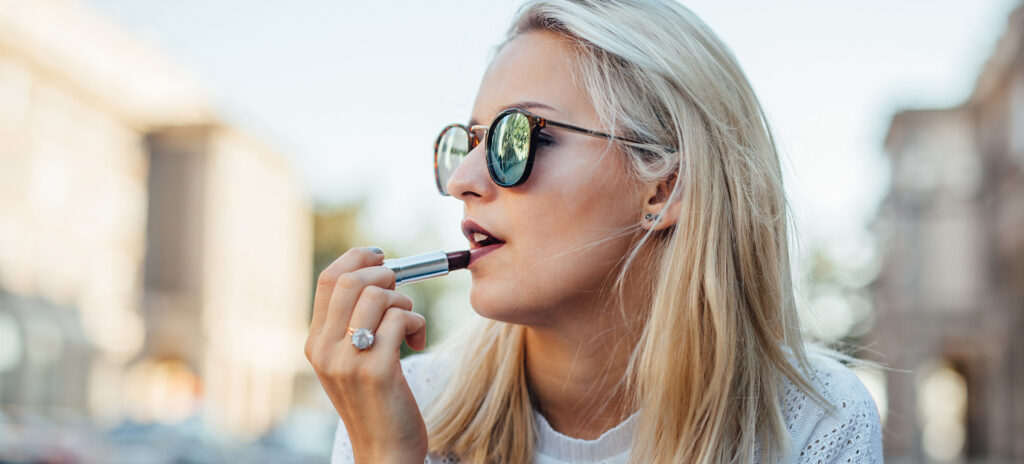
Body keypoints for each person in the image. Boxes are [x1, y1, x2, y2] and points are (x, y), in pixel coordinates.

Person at [305, 0, 884, 462]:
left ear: (664, 188)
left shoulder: (814, 422)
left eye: (515, 139)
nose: (462, 181)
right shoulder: (403, 407)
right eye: (470, 141)